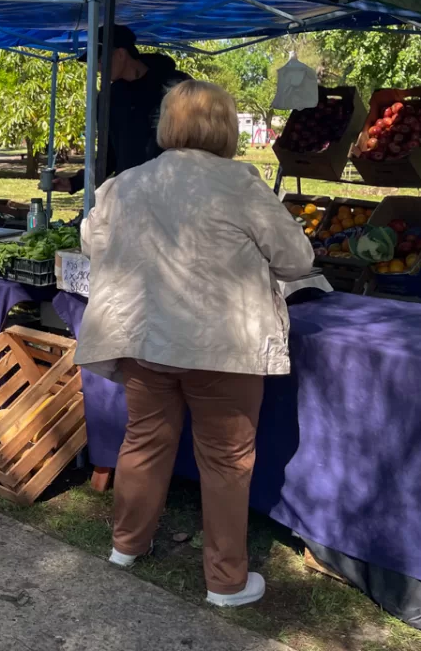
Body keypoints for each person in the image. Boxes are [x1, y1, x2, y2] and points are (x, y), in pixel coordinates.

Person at [74, 81, 313, 608]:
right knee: (227, 461)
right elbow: (297, 259)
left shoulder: (126, 183)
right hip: (222, 346)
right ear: (225, 127)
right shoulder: (242, 184)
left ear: (168, 123)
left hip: (145, 337)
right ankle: (225, 582)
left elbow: (90, 242)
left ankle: (126, 546)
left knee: (143, 442)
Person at [55, 25, 191, 194]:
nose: (97, 67)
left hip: (172, 192)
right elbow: (108, 155)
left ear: (120, 54)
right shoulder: (108, 97)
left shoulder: (175, 86)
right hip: (130, 196)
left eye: (99, 59)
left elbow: (194, 141)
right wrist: (75, 182)